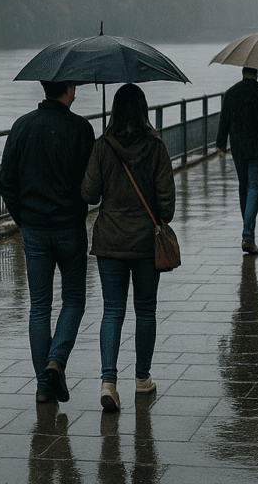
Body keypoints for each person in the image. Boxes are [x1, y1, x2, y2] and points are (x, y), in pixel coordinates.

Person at [81, 83, 176, 413]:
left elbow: (89, 194)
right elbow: (168, 207)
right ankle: (142, 379)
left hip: (109, 241)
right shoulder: (157, 148)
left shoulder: (102, 146)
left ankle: (108, 381)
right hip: (146, 242)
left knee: (112, 310)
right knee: (146, 309)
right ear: (144, 110)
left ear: (115, 111)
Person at [0, 80, 95, 404]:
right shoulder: (81, 129)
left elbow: (7, 183)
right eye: (75, 87)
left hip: (35, 230)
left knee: (39, 306)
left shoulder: (22, 126)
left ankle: (43, 386)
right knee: (74, 300)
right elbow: (90, 185)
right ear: (68, 89)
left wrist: (24, 220)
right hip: (70, 228)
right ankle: (57, 360)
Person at [215, 67, 258, 254]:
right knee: (254, 190)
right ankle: (248, 235)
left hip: (239, 148)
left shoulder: (231, 93)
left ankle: (248, 232)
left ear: (242, 72)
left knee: (243, 187)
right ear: (256, 73)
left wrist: (221, 145)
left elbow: (224, 119)